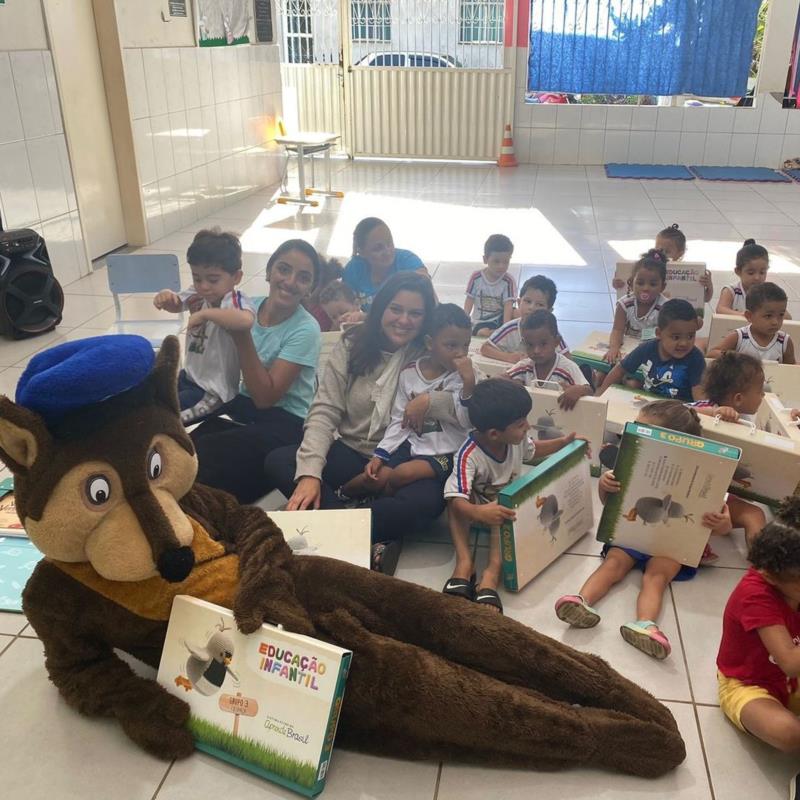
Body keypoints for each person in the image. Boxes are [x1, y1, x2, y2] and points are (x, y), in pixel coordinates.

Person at [263, 272, 455, 575]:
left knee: (428, 502)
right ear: (381, 308)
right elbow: (325, 409)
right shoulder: (353, 343)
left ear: (426, 319)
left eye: (415, 313)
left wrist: (430, 401)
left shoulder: (433, 350)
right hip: (354, 452)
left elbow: (468, 401)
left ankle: (334, 524)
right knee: (281, 462)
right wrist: (310, 474)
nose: (404, 320)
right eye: (396, 309)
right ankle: (365, 537)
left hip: (405, 463)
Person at [554, 400, 731, 659]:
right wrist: (604, 486)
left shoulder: (709, 477)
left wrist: (721, 523)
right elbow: (611, 506)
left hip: (670, 544)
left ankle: (645, 625)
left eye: (644, 431)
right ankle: (581, 601)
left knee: (656, 577)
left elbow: (723, 526)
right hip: (633, 535)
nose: (634, 434)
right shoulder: (633, 464)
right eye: (636, 427)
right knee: (613, 563)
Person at [189, 239, 322, 504]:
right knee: (185, 447)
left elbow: (265, 398)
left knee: (209, 457)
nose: (290, 281)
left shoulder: (306, 329)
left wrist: (242, 335)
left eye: (303, 277)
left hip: (286, 422)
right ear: (269, 271)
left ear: (310, 288)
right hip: (243, 406)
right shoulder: (248, 306)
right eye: (284, 269)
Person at [443, 378, 579, 614]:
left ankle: (491, 573)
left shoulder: (517, 440)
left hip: (503, 511)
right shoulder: (468, 455)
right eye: (520, 424)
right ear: (495, 434)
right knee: (453, 504)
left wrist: (562, 443)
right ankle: (464, 563)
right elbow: (457, 499)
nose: (527, 426)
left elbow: (533, 450)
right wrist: (477, 512)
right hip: (475, 510)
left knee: (506, 511)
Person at [341, 304, 477, 498]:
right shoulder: (409, 374)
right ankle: (342, 496)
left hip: (448, 452)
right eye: (451, 346)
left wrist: (469, 385)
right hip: (413, 444)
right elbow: (399, 420)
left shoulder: (463, 377)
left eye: (466, 345)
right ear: (429, 343)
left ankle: (376, 501)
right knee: (375, 477)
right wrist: (380, 454)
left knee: (403, 474)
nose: (460, 353)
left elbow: (466, 422)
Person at [716, 497, 800, 797]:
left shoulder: (788, 578)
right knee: (789, 733)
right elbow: (789, 662)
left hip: (792, 681)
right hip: (748, 683)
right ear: (769, 575)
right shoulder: (755, 594)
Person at [153, 228, 256, 424]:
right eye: (197, 278)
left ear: (236, 277)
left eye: (213, 279)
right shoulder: (197, 293)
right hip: (189, 377)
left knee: (165, 419)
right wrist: (166, 296)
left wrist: (205, 314)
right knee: (150, 401)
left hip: (212, 391)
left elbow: (245, 321)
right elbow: (177, 304)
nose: (204, 286)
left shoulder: (234, 300)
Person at [596, 298, 706, 402]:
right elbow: (620, 369)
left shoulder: (696, 358)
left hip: (680, 409)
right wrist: (600, 394)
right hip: (648, 403)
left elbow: (699, 393)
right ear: (659, 333)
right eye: (676, 337)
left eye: (690, 336)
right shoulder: (647, 348)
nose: (684, 343)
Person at [504, 310, 591, 410]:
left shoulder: (568, 368)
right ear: (524, 343)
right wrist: (510, 384)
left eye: (543, 344)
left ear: (556, 342)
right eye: (530, 345)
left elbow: (589, 391)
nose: (536, 351)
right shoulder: (524, 366)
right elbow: (500, 377)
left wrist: (577, 390)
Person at [341, 217, 427, 317]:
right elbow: (344, 309)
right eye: (378, 248)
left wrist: (366, 317)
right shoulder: (353, 270)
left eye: (389, 243)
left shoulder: (407, 261)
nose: (387, 251)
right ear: (362, 252)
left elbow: (428, 294)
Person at [480, 275, 569, 364]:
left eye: (540, 305)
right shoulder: (510, 328)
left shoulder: (551, 332)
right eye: (528, 301)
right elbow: (485, 348)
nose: (531, 308)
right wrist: (508, 357)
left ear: (549, 311)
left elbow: (567, 359)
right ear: (519, 303)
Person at [605, 249, 669, 364]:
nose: (646, 288)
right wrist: (614, 348)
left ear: (662, 287)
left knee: (636, 379)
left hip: (652, 352)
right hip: (628, 350)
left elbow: (667, 336)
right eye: (640, 283)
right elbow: (617, 330)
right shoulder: (624, 304)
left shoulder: (665, 308)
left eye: (653, 284)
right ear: (631, 283)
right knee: (603, 370)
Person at [708, 282, 795, 364]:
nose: (775, 322)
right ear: (749, 316)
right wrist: (735, 357)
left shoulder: (784, 341)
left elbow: (791, 368)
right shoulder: (739, 337)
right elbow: (711, 353)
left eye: (781, 315)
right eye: (768, 316)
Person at [464, 234, 517, 336]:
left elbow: (508, 305)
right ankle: (495, 333)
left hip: (500, 319)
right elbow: (469, 300)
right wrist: (464, 321)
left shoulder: (508, 281)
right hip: (481, 322)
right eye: (496, 261)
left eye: (506, 262)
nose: (501, 266)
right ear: (485, 259)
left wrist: (505, 328)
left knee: (517, 313)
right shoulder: (476, 278)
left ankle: (501, 333)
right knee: (482, 332)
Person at [716, 239, 770, 317]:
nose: (757, 278)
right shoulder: (731, 291)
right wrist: (744, 316)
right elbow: (720, 310)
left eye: (762, 272)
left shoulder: (769, 292)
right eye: (751, 273)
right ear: (738, 271)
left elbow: (786, 316)